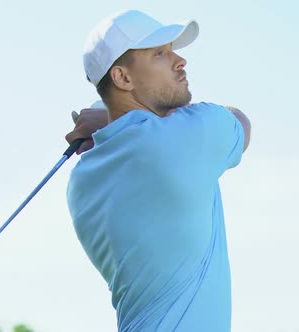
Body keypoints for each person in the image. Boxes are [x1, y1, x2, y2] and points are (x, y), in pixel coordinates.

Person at [65, 9, 251, 332]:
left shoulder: (80, 183)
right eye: (160, 54)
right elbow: (241, 123)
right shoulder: (187, 137)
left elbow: (130, 140)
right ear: (122, 78)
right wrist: (109, 121)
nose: (180, 61)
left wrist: (111, 121)